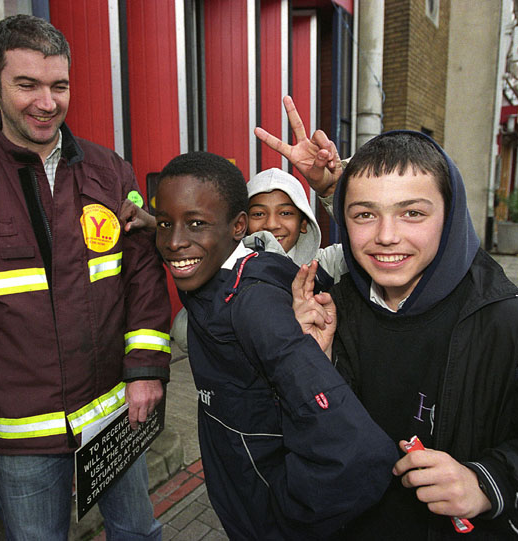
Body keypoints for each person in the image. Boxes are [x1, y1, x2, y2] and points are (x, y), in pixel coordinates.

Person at [0, 15, 169, 540]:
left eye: (59, 86)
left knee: (138, 533)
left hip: (113, 410)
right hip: (23, 431)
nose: (46, 103)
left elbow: (140, 277)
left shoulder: (110, 171)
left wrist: (146, 369)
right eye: (26, 84)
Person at [299, 130, 518, 538]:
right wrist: (313, 370)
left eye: (412, 213)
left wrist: (487, 484)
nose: (387, 235)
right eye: (365, 214)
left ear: (451, 215)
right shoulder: (332, 312)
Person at [153, 151, 396, 539]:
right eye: (165, 223)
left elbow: (359, 454)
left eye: (195, 223)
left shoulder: (255, 306)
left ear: (237, 227)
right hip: (240, 504)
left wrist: (286, 516)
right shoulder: (208, 267)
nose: (175, 241)